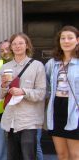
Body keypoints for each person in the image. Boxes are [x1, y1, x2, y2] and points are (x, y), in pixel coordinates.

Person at [0, 33, 46, 160]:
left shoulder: (37, 66)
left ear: (27, 45)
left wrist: (23, 92)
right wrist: (3, 86)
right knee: (13, 157)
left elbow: (41, 93)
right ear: (11, 47)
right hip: (10, 120)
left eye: (21, 43)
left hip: (29, 121)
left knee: (28, 156)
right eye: (14, 44)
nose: (17, 46)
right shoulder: (4, 68)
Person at [45, 25, 79, 160]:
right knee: (62, 155)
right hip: (56, 109)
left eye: (70, 38)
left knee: (75, 155)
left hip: (74, 110)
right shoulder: (52, 63)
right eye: (63, 38)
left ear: (77, 40)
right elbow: (46, 85)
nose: (66, 41)